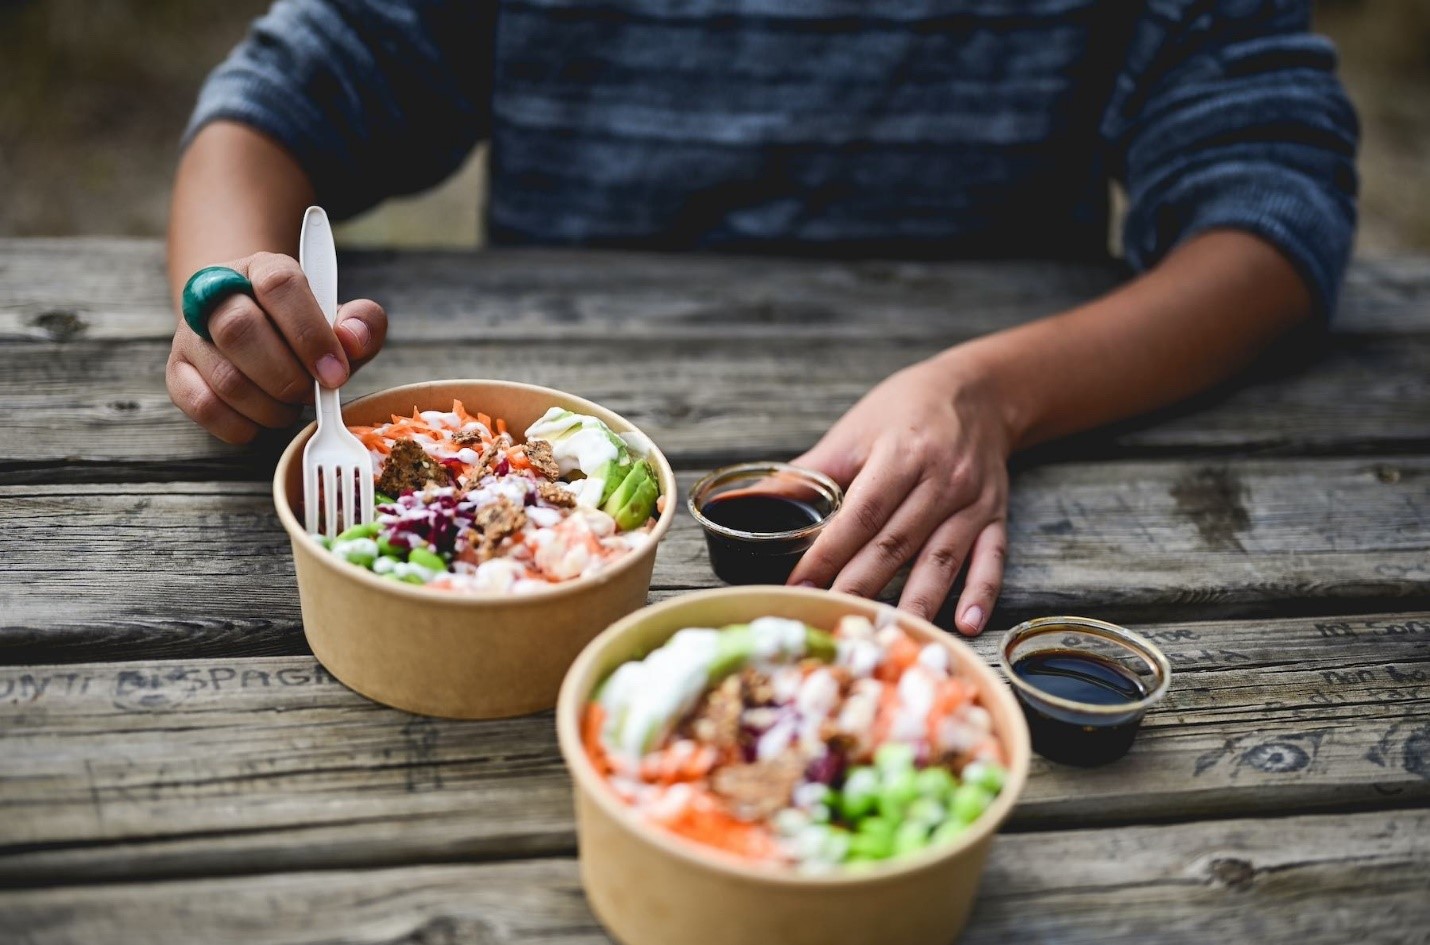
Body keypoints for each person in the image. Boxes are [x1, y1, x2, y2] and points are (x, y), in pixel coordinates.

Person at [166, 0, 1358, 634]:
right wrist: (235, 303)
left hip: (1011, 498)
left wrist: (994, 394)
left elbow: (1273, 210)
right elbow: (273, 108)